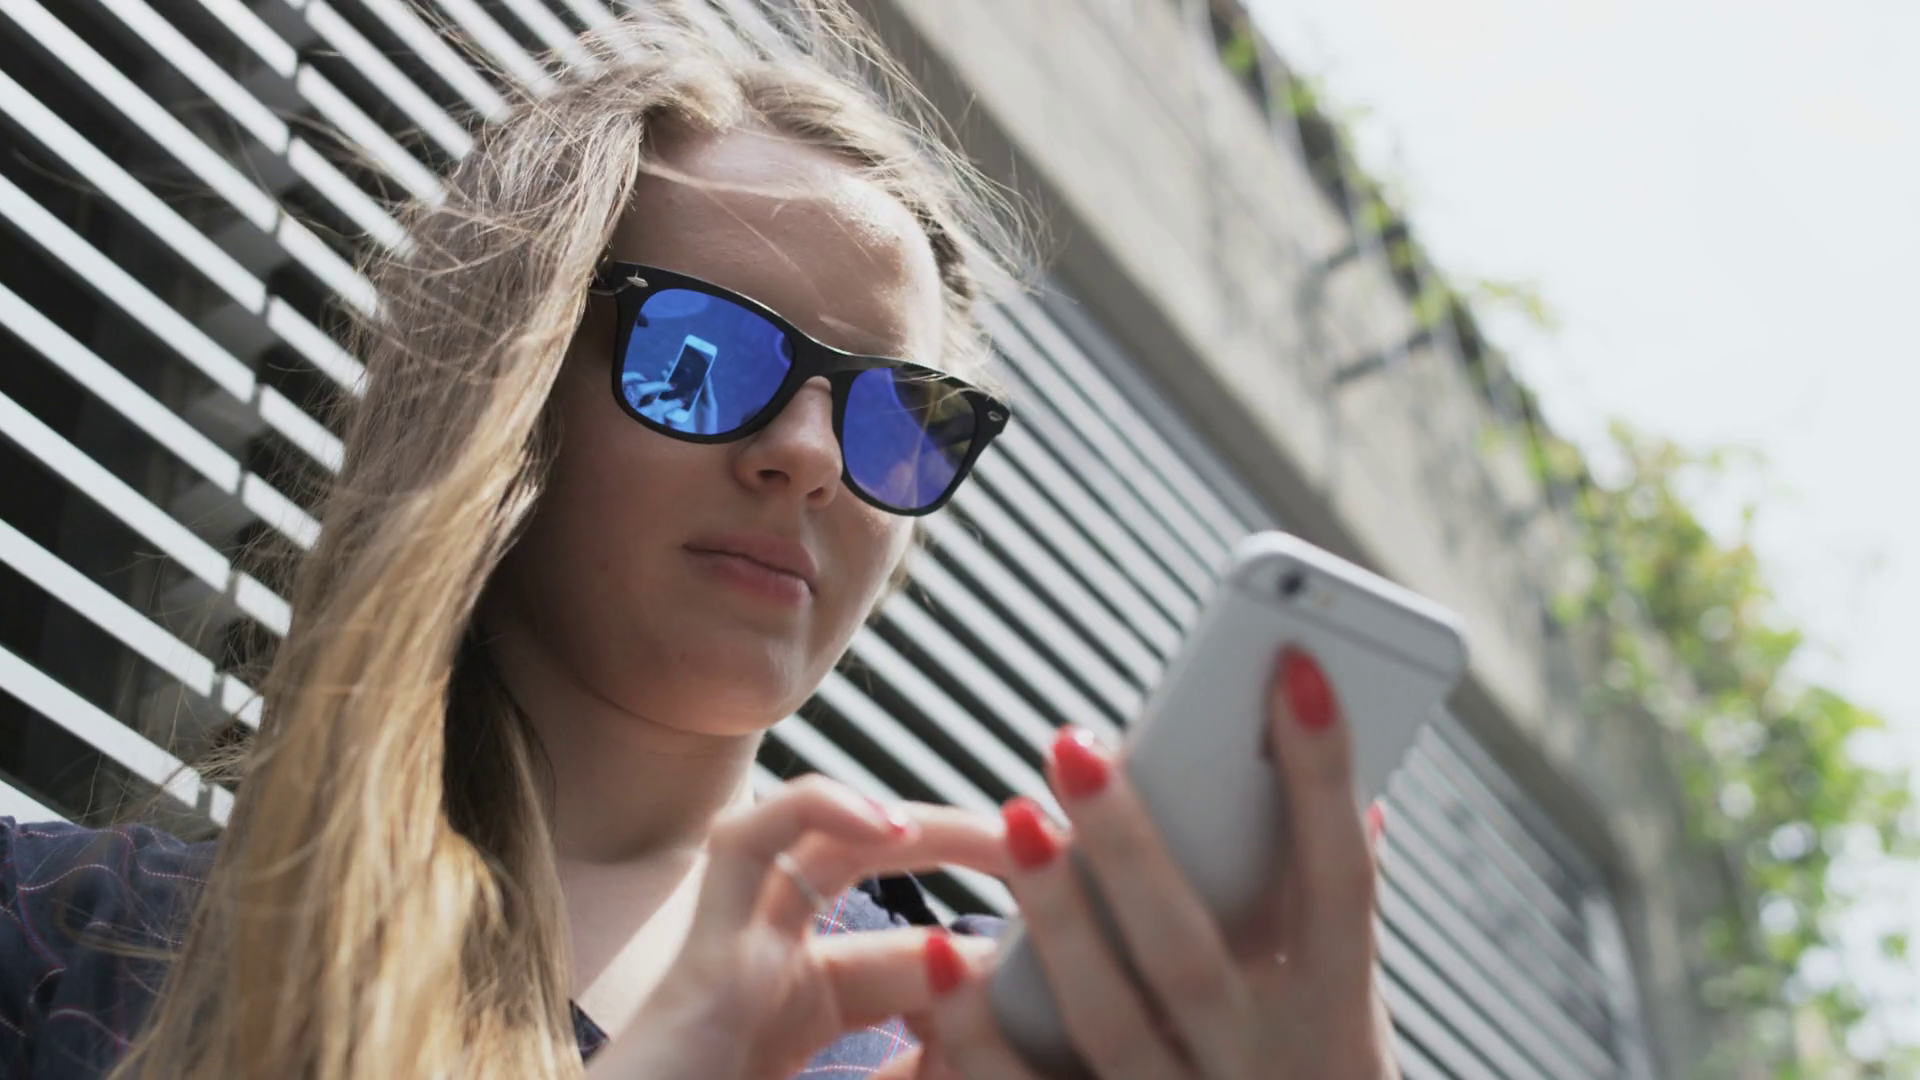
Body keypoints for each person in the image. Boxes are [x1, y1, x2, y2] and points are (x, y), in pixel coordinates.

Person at [0, 2, 1399, 1078]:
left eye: (896, 416)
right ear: (507, 392)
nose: (809, 455)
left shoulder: (1002, 1023)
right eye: (701, 353)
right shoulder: (63, 939)